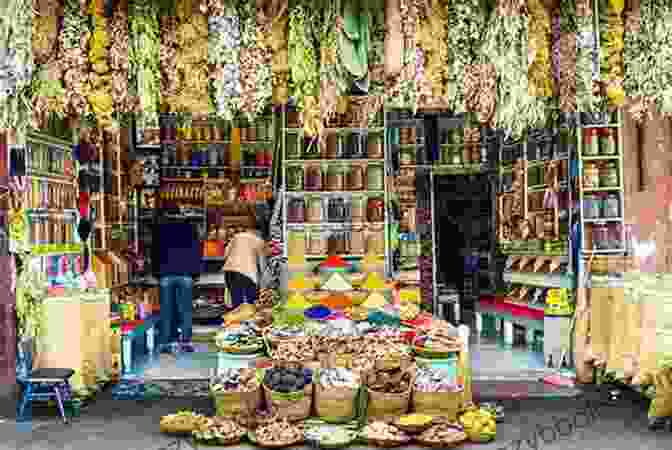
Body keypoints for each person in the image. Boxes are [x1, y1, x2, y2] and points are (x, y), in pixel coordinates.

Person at [153, 221, 201, 352]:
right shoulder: (190, 228)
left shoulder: (160, 228)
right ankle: (185, 341)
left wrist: (156, 272)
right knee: (185, 310)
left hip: (165, 273)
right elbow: (197, 250)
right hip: (185, 273)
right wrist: (196, 273)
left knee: (166, 310)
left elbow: (155, 251)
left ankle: (166, 342)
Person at [222, 206, 270, 307]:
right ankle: (247, 321)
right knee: (251, 304)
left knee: (237, 304)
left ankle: (236, 320)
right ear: (260, 232)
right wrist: (264, 286)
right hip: (248, 274)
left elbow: (225, 254)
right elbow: (263, 266)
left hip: (230, 272)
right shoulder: (259, 241)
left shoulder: (237, 236)